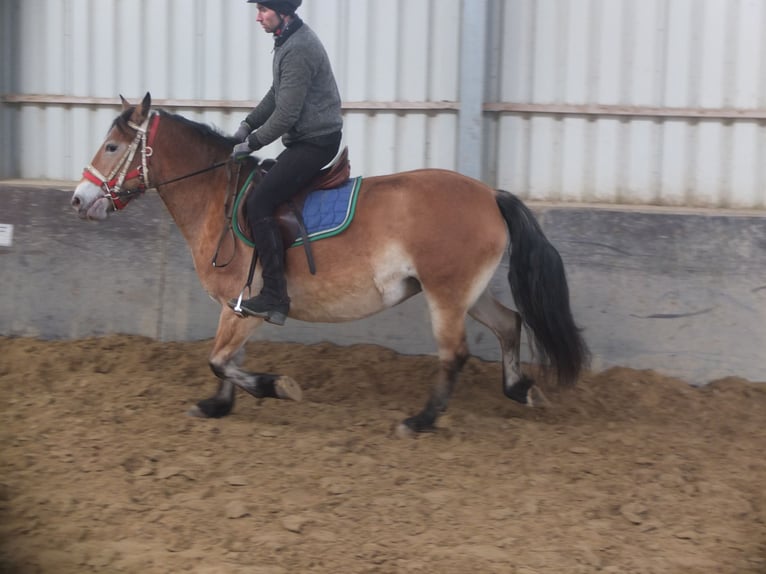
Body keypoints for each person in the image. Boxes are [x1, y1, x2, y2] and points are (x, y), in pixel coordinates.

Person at [229, 0, 343, 326]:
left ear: (283, 12)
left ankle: (276, 296)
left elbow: (286, 114)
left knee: (260, 202)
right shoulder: (287, 41)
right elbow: (276, 93)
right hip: (305, 139)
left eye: (263, 10)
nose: (257, 17)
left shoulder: (299, 47)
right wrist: (248, 124)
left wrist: (252, 143)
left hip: (316, 142)